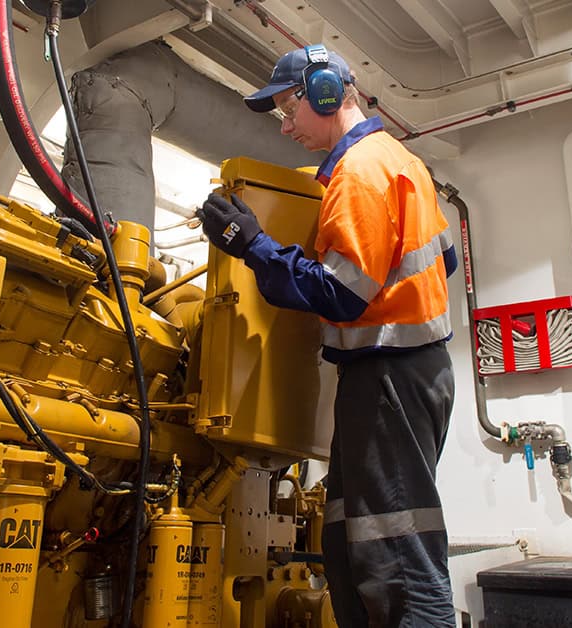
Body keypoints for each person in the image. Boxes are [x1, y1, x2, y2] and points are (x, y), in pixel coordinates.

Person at [196, 44, 458, 627]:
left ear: (326, 93)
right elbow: (447, 261)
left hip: (390, 375)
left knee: (395, 553)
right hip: (405, 377)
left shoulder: (359, 173)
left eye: (289, 110)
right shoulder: (401, 161)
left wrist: (252, 245)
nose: (285, 127)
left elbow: (342, 294)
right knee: (353, 541)